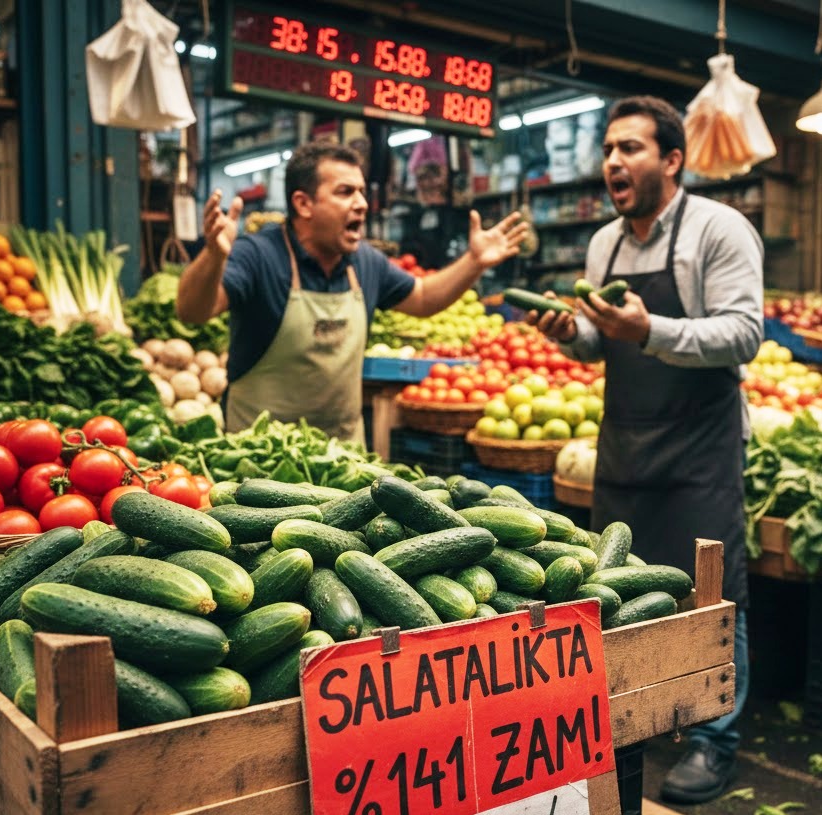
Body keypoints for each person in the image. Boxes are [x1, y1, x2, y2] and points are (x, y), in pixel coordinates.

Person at [527, 96, 762, 805]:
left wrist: (651, 327)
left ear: (671, 159)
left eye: (630, 148)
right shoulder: (604, 244)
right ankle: (634, 711)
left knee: (714, 591)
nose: (612, 162)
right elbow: (604, 338)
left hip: (699, 445)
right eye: (607, 149)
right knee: (618, 582)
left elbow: (745, 333)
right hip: (627, 441)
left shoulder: (720, 231)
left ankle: (713, 736)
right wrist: (571, 336)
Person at [176, 141, 527, 441]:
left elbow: (421, 298)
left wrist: (474, 262)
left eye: (361, 191)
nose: (361, 203)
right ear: (303, 204)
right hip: (258, 463)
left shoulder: (365, 263)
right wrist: (214, 256)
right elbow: (192, 311)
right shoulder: (259, 255)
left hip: (342, 461)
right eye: (345, 192)